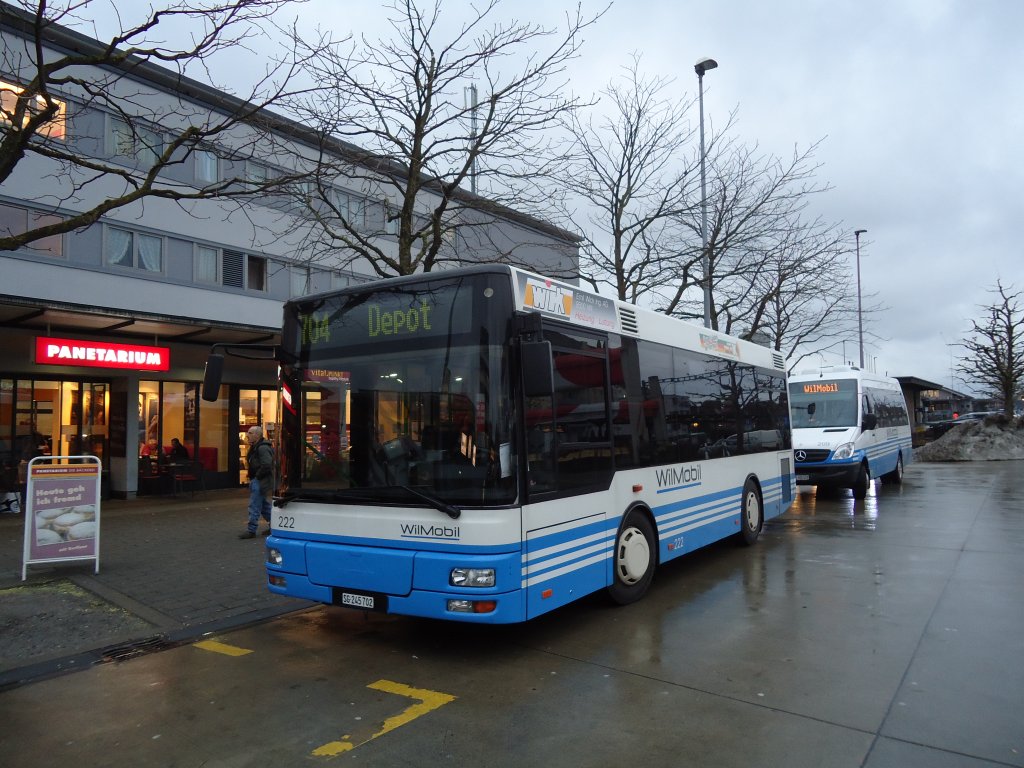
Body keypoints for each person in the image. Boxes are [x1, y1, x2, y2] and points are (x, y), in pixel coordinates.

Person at [239, 425, 274, 539]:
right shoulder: (256, 446)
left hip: (260, 480)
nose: (247, 435)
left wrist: (257, 476)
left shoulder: (261, 448)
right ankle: (274, 526)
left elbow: (267, 464)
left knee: (254, 504)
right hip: (258, 479)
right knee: (263, 505)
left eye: (250, 433)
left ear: (257, 435)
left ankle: (251, 530)